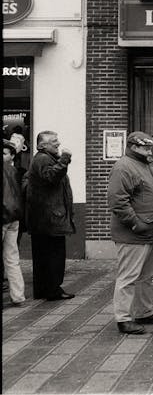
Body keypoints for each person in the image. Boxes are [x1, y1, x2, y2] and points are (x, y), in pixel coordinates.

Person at [107, 132, 153, 334]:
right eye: (145, 148)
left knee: (146, 275)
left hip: (149, 230)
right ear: (133, 146)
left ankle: (144, 311)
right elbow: (118, 201)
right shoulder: (124, 167)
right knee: (129, 276)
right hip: (135, 233)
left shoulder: (144, 164)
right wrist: (135, 224)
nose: (149, 151)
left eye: (150, 148)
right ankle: (123, 318)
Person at [26, 131, 76, 301]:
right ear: (42, 145)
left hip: (43, 218)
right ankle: (53, 290)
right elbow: (51, 177)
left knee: (42, 256)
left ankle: (43, 290)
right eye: (53, 141)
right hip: (50, 219)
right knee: (54, 256)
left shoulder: (41, 158)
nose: (58, 143)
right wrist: (65, 159)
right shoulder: (43, 159)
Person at [3, 140, 26, 306]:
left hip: (3, 217)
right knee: (12, 258)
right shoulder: (13, 170)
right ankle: (18, 295)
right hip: (14, 217)